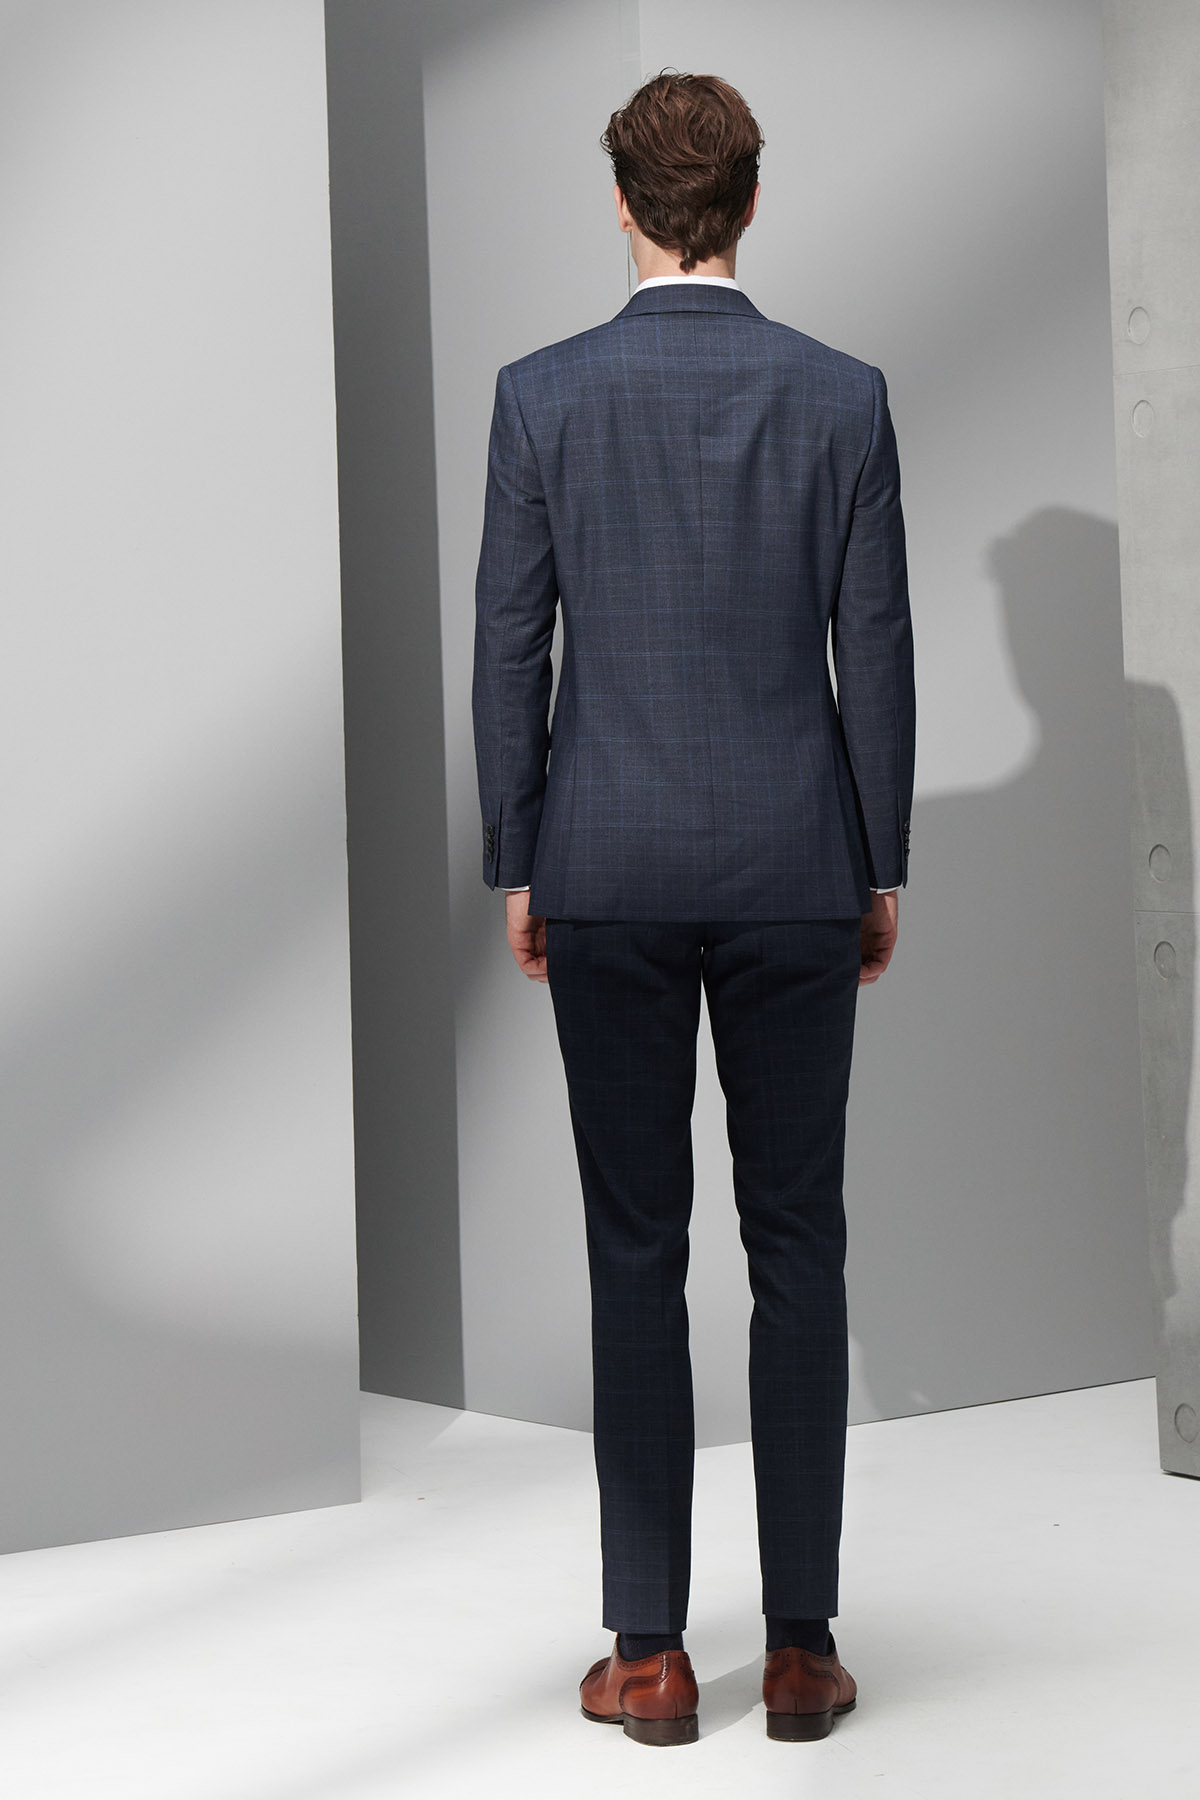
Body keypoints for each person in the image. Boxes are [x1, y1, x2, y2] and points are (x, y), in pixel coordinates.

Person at [471, 69, 914, 1746]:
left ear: (623, 201)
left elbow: (511, 647)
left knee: (632, 1250)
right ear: (749, 201)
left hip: (608, 868)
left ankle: (649, 1655)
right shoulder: (842, 397)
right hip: (798, 868)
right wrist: (876, 863)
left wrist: (523, 859)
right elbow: (875, 650)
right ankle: (800, 1651)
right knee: (800, 1245)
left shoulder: (542, 397)